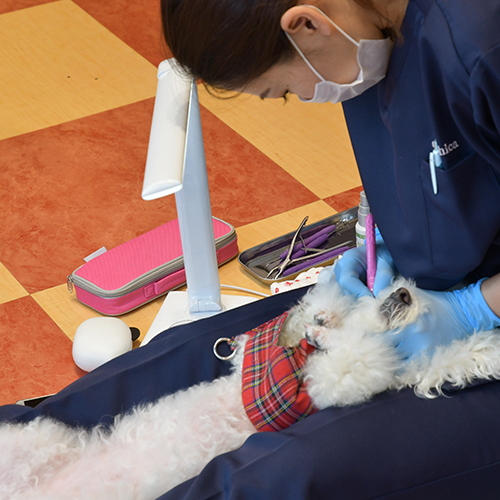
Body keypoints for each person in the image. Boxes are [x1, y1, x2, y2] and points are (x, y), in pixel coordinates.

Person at [162, 0, 500, 360]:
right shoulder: (364, 36)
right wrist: (395, 236)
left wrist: (474, 309)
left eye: (287, 90)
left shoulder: (480, 48)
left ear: (306, 24)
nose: (308, 97)